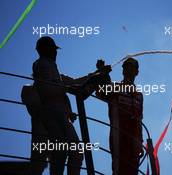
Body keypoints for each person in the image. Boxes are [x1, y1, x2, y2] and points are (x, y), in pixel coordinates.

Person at [31, 36, 101, 175]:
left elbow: (75, 82)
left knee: (74, 151)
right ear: (44, 49)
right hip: (52, 112)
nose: (55, 52)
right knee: (61, 151)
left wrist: (96, 73)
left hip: (61, 114)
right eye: (53, 49)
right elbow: (49, 88)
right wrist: (68, 88)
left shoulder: (55, 72)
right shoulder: (41, 64)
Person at [96, 58, 144, 175]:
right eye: (125, 66)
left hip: (134, 140)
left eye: (131, 67)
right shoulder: (114, 87)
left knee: (133, 172)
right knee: (119, 170)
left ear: (137, 72)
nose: (128, 69)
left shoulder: (139, 95)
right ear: (122, 71)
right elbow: (99, 92)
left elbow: (140, 119)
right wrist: (102, 72)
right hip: (119, 136)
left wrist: (140, 142)